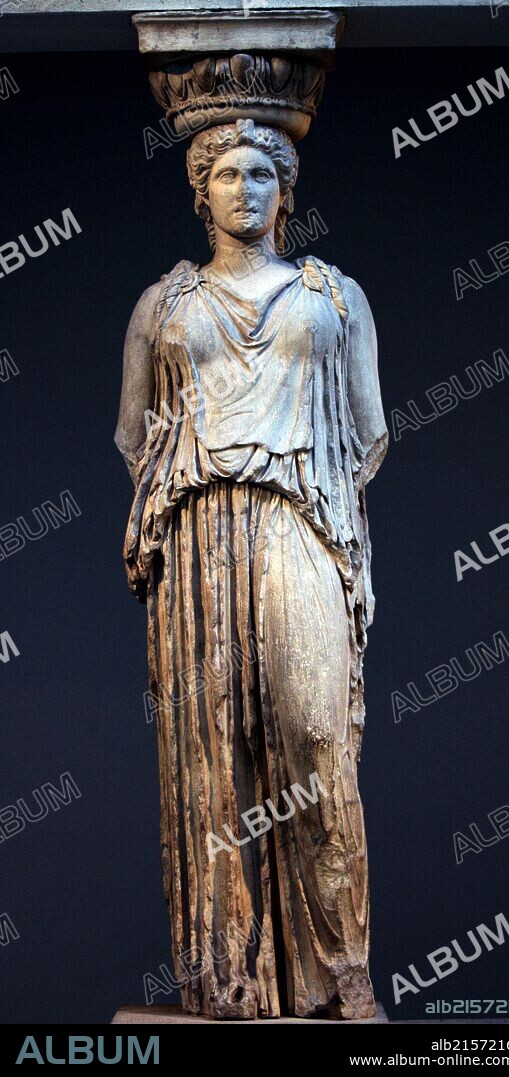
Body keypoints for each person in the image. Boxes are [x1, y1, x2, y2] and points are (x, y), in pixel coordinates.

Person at [115, 118, 388, 1020]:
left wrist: (295, 485)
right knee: (212, 754)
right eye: (227, 174)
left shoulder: (334, 296)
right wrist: (203, 485)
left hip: (300, 519)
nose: (246, 188)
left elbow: (369, 433)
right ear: (201, 192)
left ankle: (340, 971)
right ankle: (226, 976)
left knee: (316, 733)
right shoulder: (164, 305)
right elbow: (133, 435)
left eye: (262, 173)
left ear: (286, 190)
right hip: (198, 534)